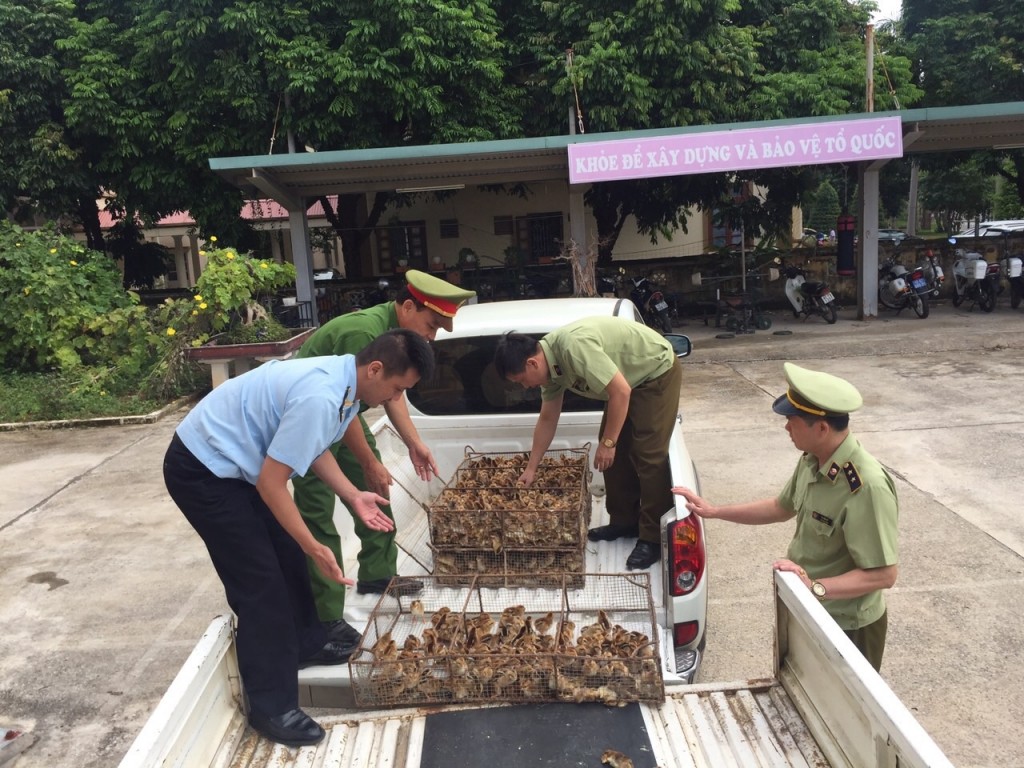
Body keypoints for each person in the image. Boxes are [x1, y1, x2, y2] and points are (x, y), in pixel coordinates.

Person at [162, 329, 435, 747]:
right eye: (397, 389)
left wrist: (352, 495)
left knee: (288, 556)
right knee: (260, 586)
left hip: (237, 466)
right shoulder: (323, 395)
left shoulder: (346, 386)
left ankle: (308, 641)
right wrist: (316, 545)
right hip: (202, 470)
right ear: (376, 369)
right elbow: (273, 485)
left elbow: (311, 446)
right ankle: (272, 707)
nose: (393, 399)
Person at [673, 362, 898, 671]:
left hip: (848, 626)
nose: (786, 427)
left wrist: (816, 587)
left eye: (792, 421)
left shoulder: (865, 487)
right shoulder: (813, 461)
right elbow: (781, 507)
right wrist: (714, 511)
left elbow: (883, 575)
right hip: (808, 607)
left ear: (821, 428)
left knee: (841, 714)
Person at [291, 269, 475, 644]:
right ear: (407, 307)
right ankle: (325, 620)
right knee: (318, 514)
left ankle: (378, 573)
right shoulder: (365, 332)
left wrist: (413, 443)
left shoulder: (399, 338)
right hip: (310, 425)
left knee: (377, 489)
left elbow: (394, 394)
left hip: (343, 418)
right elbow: (346, 403)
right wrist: (369, 460)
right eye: (431, 325)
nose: (431, 336)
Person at [492, 316, 682, 570]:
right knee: (611, 454)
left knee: (648, 454)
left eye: (522, 380)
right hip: (625, 382)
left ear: (532, 363)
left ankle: (651, 539)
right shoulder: (550, 369)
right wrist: (531, 468)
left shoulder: (573, 348)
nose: (526, 387)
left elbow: (621, 392)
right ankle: (624, 521)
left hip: (654, 373)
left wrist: (609, 442)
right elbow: (548, 418)